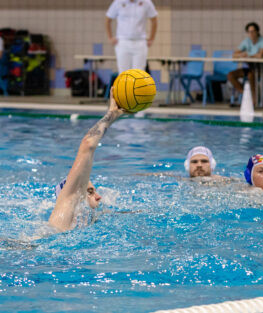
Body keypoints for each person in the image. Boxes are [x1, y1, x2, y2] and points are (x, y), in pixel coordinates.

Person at [49, 88, 125, 232]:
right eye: (89, 192)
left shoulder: (79, 226)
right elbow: (87, 145)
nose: (99, 197)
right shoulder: (65, 211)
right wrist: (111, 114)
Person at [105, 0, 158, 73]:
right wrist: (110, 37)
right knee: (123, 73)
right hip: (123, 42)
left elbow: (154, 20)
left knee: (138, 73)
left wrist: (151, 38)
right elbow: (108, 19)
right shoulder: (118, 2)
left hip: (140, 42)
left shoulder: (146, 2)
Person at [228, 22, 263, 106]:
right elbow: (234, 54)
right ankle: (246, 94)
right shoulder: (246, 41)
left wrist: (248, 54)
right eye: (249, 32)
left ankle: (254, 100)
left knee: (251, 76)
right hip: (251, 67)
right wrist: (241, 54)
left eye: (253, 31)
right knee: (231, 75)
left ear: (257, 32)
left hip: (262, 69)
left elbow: (260, 54)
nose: (251, 33)